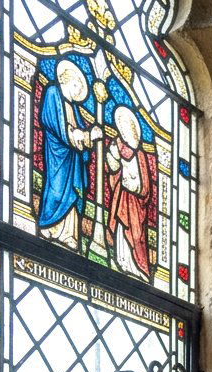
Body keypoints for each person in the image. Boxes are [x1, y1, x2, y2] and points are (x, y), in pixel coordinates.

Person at [38, 60, 101, 250]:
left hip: (72, 161)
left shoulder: (73, 108)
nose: (78, 92)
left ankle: (69, 234)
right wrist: (83, 135)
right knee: (56, 190)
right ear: (68, 81)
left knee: (73, 195)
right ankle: (49, 226)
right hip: (57, 153)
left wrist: (88, 137)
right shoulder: (52, 93)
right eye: (77, 87)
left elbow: (80, 140)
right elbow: (55, 124)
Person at [106, 106, 153, 280]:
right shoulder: (117, 145)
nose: (124, 131)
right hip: (122, 198)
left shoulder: (139, 154)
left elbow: (144, 186)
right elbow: (113, 170)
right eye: (122, 126)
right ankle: (123, 261)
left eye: (127, 126)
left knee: (135, 235)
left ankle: (137, 268)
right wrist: (113, 157)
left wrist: (132, 182)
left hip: (134, 202)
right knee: (120, 229)